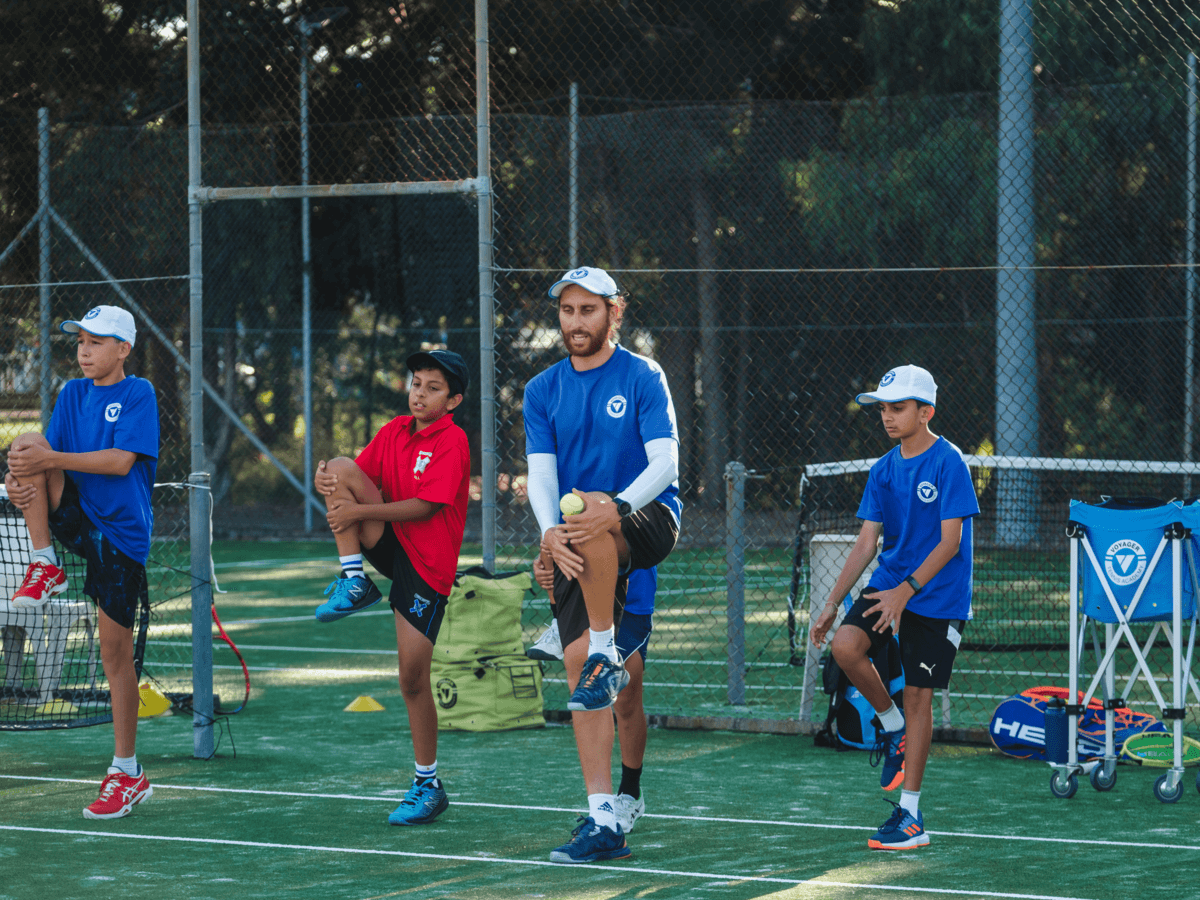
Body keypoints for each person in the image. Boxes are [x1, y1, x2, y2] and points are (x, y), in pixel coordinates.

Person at [524, 265, 681, 863]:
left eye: (587, 309)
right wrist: (547, 538)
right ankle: (603, 822)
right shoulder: (542, 389)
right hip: (579, 539)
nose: (575, 322)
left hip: (644, 524)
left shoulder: (644, 375)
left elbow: (665, 464)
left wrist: (611, 508)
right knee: (579, 675)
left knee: (629, 694)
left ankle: (631, 785)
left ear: (616, 312)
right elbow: (542, 476)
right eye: (567, 311)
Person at [809, 365, 978, 850]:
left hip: (938, 597)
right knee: (845, 647)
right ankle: (892, 726)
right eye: (882, 407)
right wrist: (831, 603)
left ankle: (910, 818)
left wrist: (908, 591)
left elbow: (950, 543)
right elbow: (866, 543)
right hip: (889, 584)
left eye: (897, 407)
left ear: (926, 411)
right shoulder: (883, 469)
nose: (887, 416)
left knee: (920, 695)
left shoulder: (950, 463)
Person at [5, 305, 159, 819]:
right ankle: (44, 562)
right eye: (80, 342)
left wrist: (46, 463)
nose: (84, 351)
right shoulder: (71, 394)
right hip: (77, 517)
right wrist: (24, 475)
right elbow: (47, 455)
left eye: (97, 342)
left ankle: (127, 772)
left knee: (115, 659)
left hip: (121, 537)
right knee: (26, 446)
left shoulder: (139, 393)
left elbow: (119, 462)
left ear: (123, 350)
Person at [312, 349, 470, 827]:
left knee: (411, 679)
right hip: (390, 545)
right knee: (338, 466)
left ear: (453, 400)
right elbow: (359, 481)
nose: (419, 393)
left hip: (426, 567)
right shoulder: (394, 431)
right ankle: (354, 580)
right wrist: (330, 483)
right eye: (416, 383)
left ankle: (429, 784)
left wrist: (357, 513)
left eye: (433, 388)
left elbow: (425, 507)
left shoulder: (454, 440)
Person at [528, 566, 658, 834]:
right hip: (581, 590)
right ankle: (601, 810)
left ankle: (631, 794)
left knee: (625, 698)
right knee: (586, 689)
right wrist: (547, 564)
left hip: (631, 592)